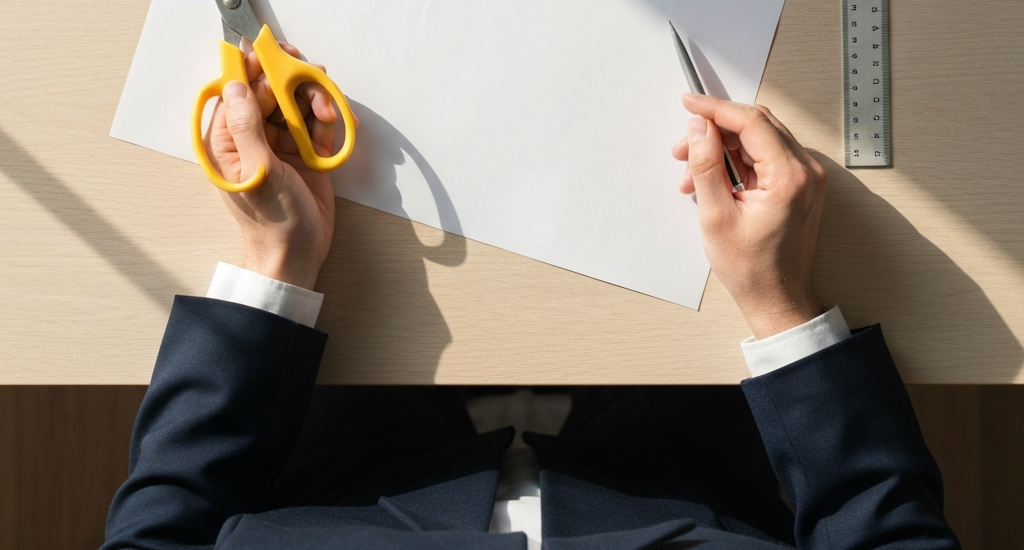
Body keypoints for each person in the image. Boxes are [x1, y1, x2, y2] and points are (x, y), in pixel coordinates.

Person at [101, 44, 961, 550]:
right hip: (686, 455)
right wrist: (786, 308)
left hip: (350, 457)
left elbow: (158, 535)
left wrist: (274, 259)